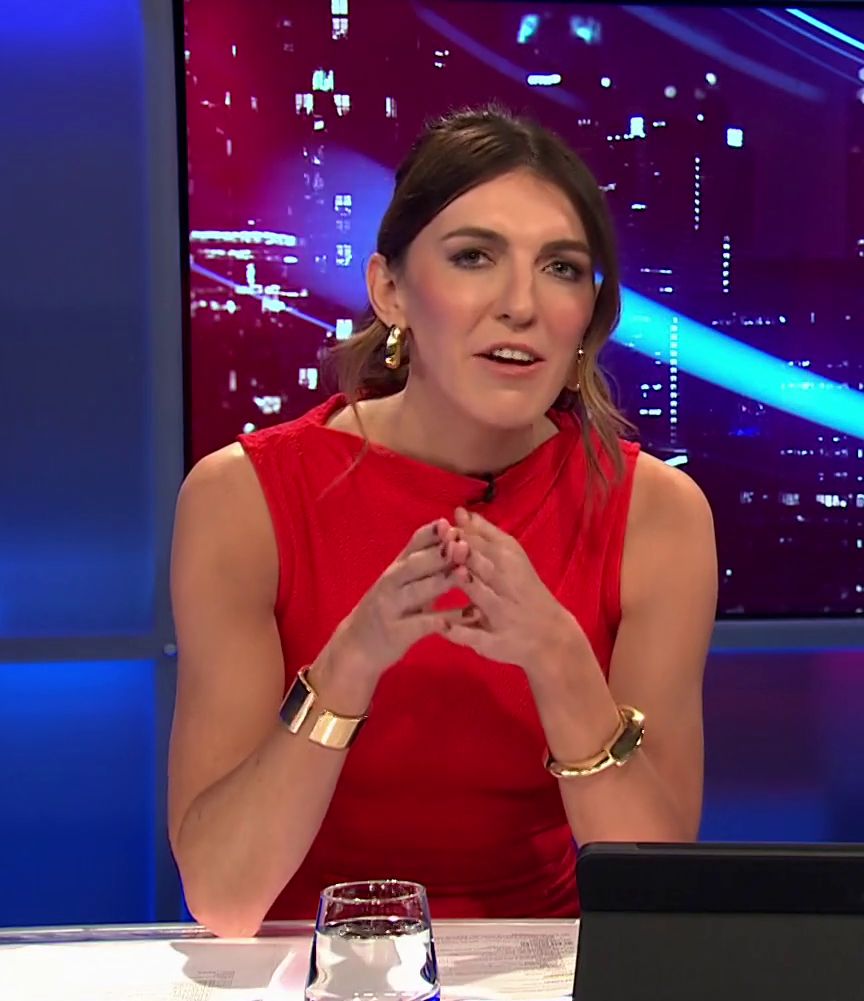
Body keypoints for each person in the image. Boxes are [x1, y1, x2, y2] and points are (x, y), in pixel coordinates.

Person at [167, 105, 718, 938]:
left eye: (562, 268)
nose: (522, 305)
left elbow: (657, 883)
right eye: (473, 257)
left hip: (550, 969)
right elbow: (222, 895)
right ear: (390, 290)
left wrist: (558, 656)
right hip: (306, 969)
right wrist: (349, 664)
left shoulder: (657, 514)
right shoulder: (241, 498)